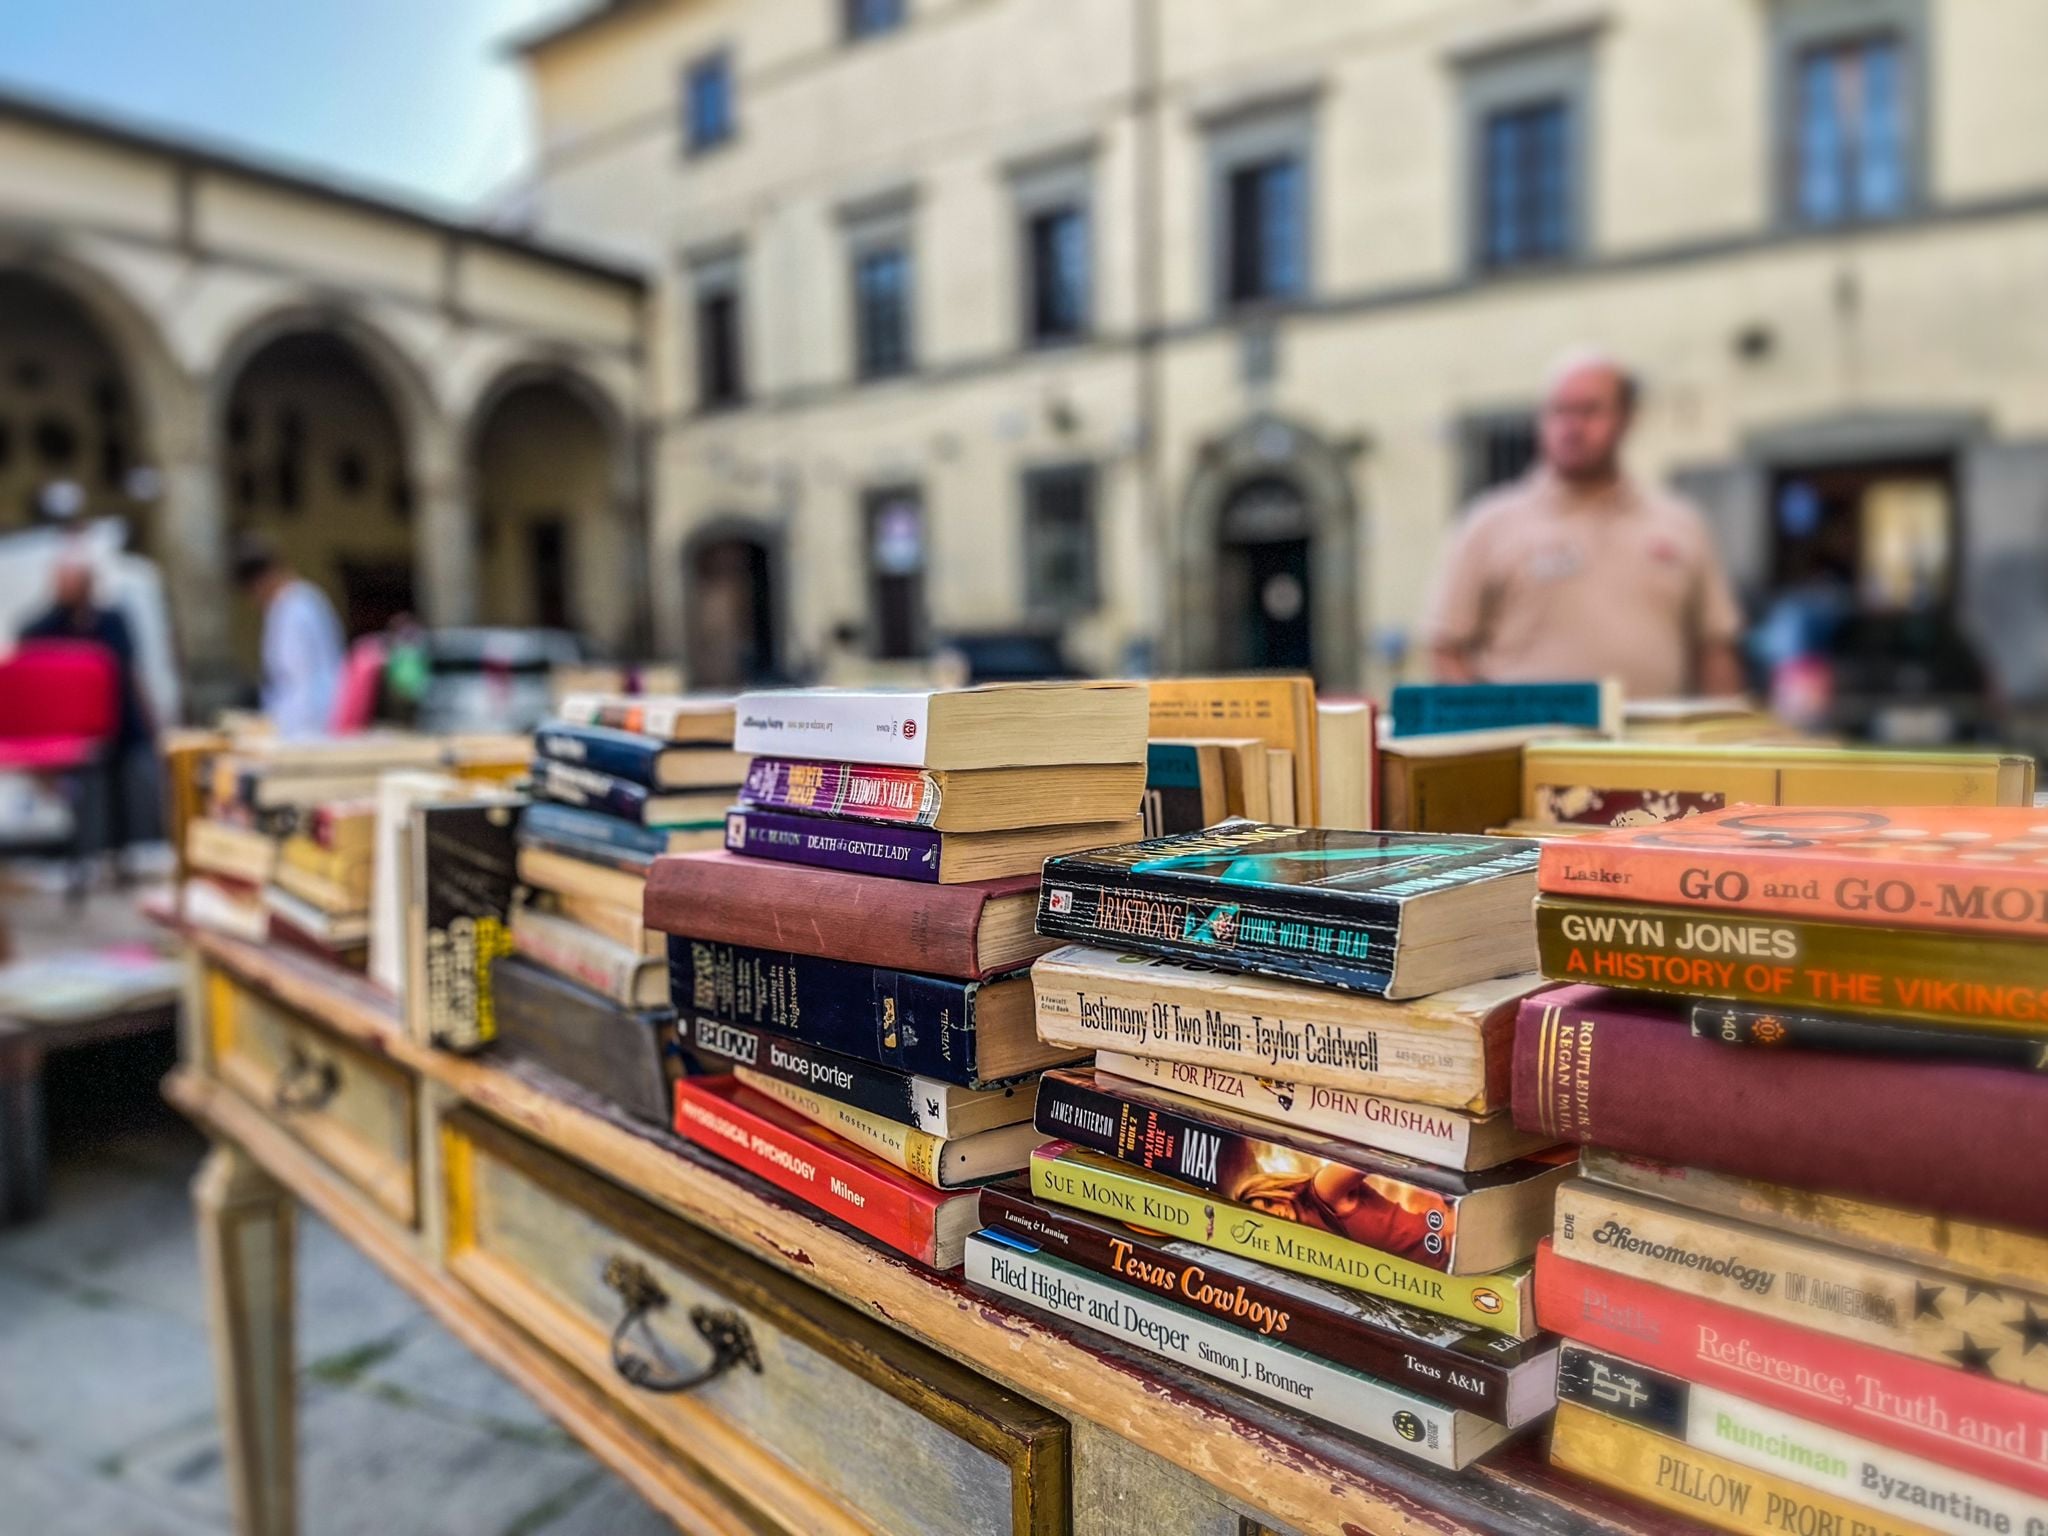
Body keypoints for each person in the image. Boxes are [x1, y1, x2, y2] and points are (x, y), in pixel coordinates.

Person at [1424, 349, 1746, 700]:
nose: (1572, 427)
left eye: (1590, 410)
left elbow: (1715, 649)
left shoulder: (1680, 525)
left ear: (1627, 418)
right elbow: (1445, 649)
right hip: (1528, 750)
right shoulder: (1489, 524)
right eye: (1559, 411)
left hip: (1655, 748)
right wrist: (1486, 729)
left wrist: (1726, 737)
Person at [19, 554, 157, 856]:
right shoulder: (41, 628)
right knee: (83, 800)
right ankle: (87, 853)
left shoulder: (112, 620)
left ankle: (122, 855)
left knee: (127, 794)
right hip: (71, 733)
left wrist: (152, 723)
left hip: (119, 723)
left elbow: (131, 672)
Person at [233, 537, 345, 737]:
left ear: (261, 581)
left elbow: (302, 683)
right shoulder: (297, 602)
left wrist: (285, 731)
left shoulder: (296, 609)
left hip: (309, 727)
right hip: (303, 722)